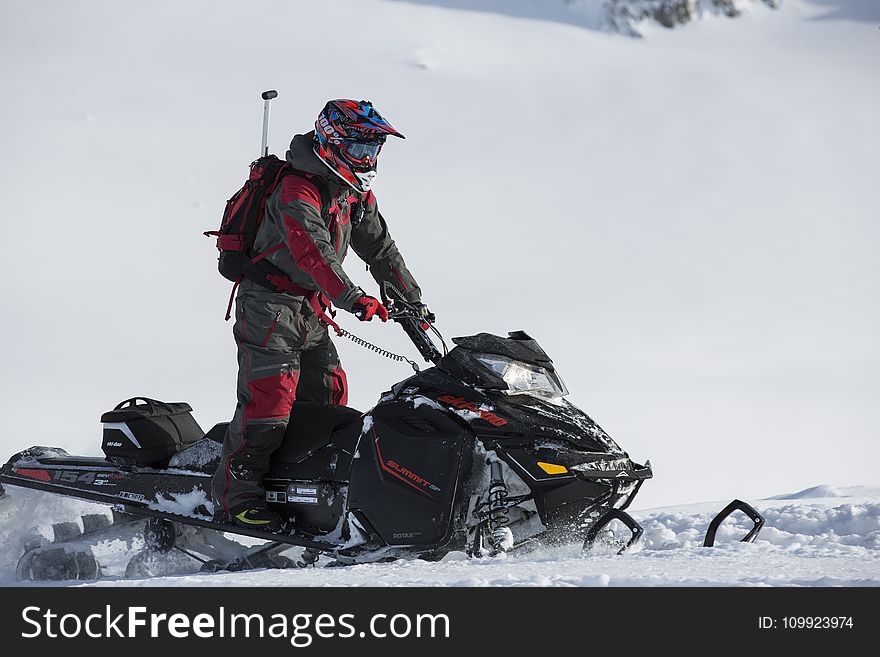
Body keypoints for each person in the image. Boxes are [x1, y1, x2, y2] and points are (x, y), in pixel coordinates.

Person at [211, 99, 431, 531]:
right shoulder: (298, 188)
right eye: (360, 148)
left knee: (327, 397)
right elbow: (312, 252)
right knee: (269, 405)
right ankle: (236, 499)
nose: (368, 159)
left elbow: (381, 250)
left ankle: (304, 490)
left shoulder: (353, 192)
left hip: (311, 308)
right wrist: (353, 298)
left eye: (373, 151)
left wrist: (412, 302)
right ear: (331, 142)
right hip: (269, 306)